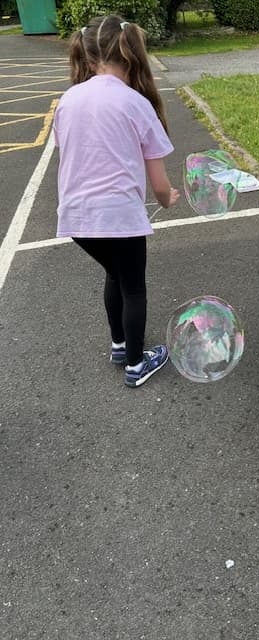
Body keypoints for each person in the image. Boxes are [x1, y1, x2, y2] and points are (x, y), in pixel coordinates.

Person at [54, 14, 180, 388]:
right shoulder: (135, 103)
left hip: (76, 217)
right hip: (119, 217)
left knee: (114, 274)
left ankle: (121, 345)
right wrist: (167, 199)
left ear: (91, 55)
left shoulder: (69, 98)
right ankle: (137, 365)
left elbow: (73, 153)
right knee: (133, 286)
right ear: (132, 55)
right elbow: (159, 183)